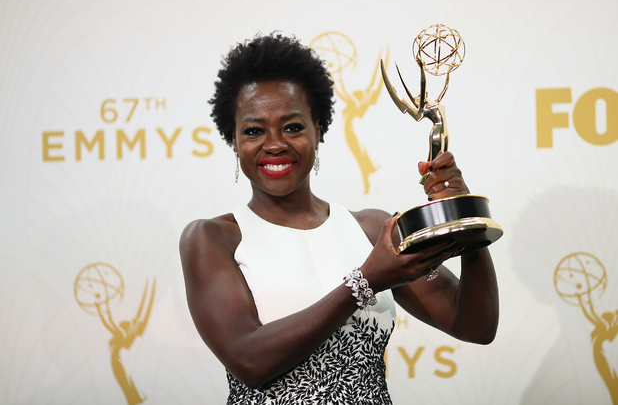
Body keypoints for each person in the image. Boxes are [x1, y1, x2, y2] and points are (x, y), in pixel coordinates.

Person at [179, 32, 499, 404]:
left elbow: (475, 324)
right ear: (233, 140)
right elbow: (249, 360)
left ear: (319, 129)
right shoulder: (212, 239)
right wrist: (365, 282)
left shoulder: (373, 230)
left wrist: (468, 225)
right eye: (253, 130)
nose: (275, 144)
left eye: (293, 126)